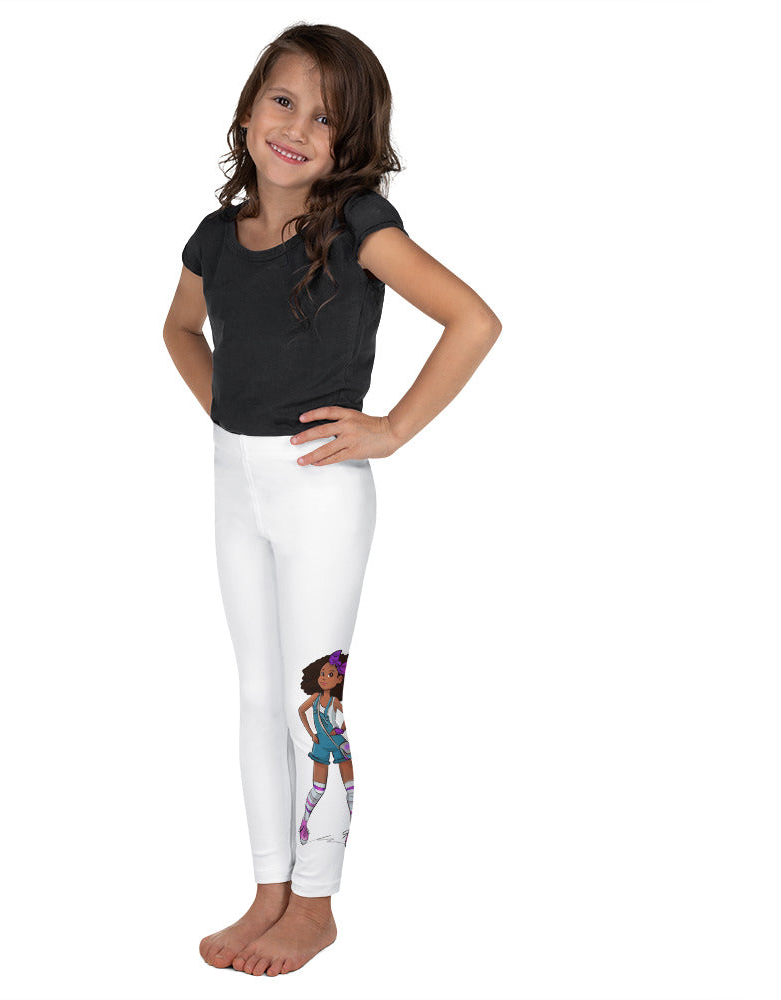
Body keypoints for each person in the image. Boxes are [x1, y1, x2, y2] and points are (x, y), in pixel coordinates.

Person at [162, 22, 502, 978]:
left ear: (352, 144)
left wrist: (390, 429)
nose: (299, 129)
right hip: (236, 482)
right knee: (254, 695)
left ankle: (315, 904)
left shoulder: (358, 225)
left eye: (327, 119)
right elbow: (179, 330)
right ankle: (269, 885)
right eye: (285, 101)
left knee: (316, 700)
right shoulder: (214, 237)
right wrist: (230, 412)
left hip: (321, 491)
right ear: (248, 108)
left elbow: (473, 320)